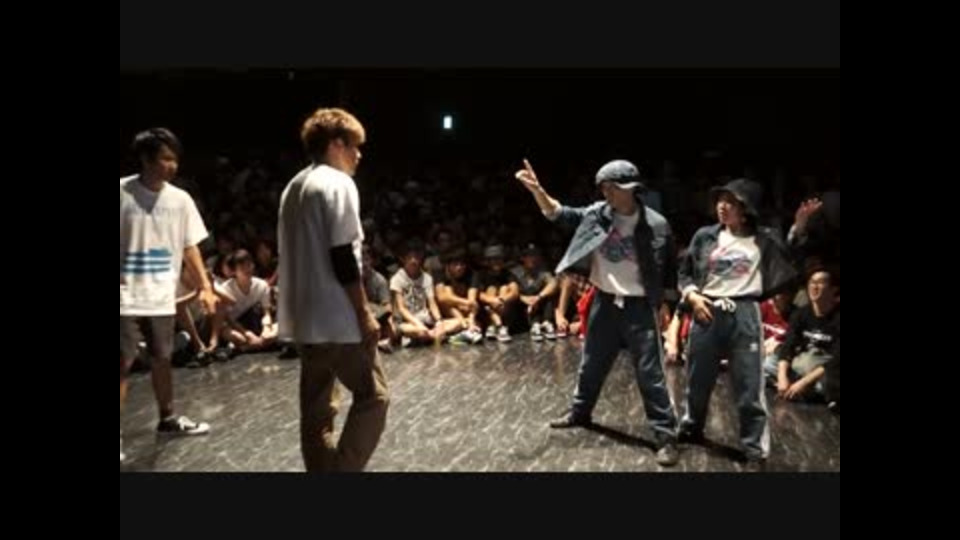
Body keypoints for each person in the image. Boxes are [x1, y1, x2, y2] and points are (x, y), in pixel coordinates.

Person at [514, 159, 680, 467]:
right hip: (604, 302)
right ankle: (580, 413)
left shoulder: (656, 224)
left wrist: (665, 304)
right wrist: (538, 191)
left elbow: (669, 269)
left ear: (630, 188)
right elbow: (557, 212)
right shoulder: (597, 214)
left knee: (650, 374)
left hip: (640, 307)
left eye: (612, 188)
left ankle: (665, 434)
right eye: (603, 188)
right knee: (591, 364)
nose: (606, 193)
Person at [277, 107, 389, 472]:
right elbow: (343, 254)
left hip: (304, 318)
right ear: (336, 144)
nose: (359, 154)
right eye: (355, 146)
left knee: (316, 410)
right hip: (338, 318)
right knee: (374, 397)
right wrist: (363, 312)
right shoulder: (338, 183)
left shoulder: (293, 187)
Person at [678, 178, 798, 465]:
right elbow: (684, 273)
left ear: (746, 209)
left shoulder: (764, 239)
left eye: (730, 202)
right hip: (707, 308)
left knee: (749, 384)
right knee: (697, 379)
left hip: (744, 312)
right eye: (720, 200)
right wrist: (693, 296)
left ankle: (754, 447)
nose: (722, 206)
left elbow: (791, 256)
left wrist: (799, 228)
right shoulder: (705, 236)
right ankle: (691, 427)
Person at [120, 128, 218, 464]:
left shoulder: (181, 200)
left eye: (175, 159)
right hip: (124, 295)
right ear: (146, 159)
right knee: (123, 361)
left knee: (162, 358)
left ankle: (167, 419)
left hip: (161, 295)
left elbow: (190, 246)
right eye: (165, 158)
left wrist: (205, 287)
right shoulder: (122, 193)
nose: (172, 165)